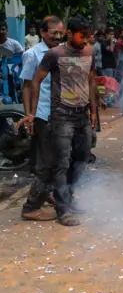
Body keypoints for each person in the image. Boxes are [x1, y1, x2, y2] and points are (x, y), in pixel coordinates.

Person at [26, 15, 97, 227]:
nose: (85, 40)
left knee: (82, 159)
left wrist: (93, 111)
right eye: (81, 35)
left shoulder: (89, 52)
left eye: (87, 36)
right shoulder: (54, 54)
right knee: (61, 163)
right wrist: (32, 113)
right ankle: (63, 209)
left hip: (82, 116)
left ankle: (68, 197)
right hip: (61, 117)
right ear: (69, 33)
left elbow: (91, 81)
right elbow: (35, 81)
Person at [19, 16, 66, 221]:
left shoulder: (64, 52)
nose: (57, 36)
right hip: (42, 113)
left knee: (59, 158)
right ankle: (31, 207)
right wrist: (30, 115)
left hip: (61, 113)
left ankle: (50, 195)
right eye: (52, 33)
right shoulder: (32, 54)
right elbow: (27, 86)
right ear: (42, 33)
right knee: (46, 161)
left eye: (60, 33)